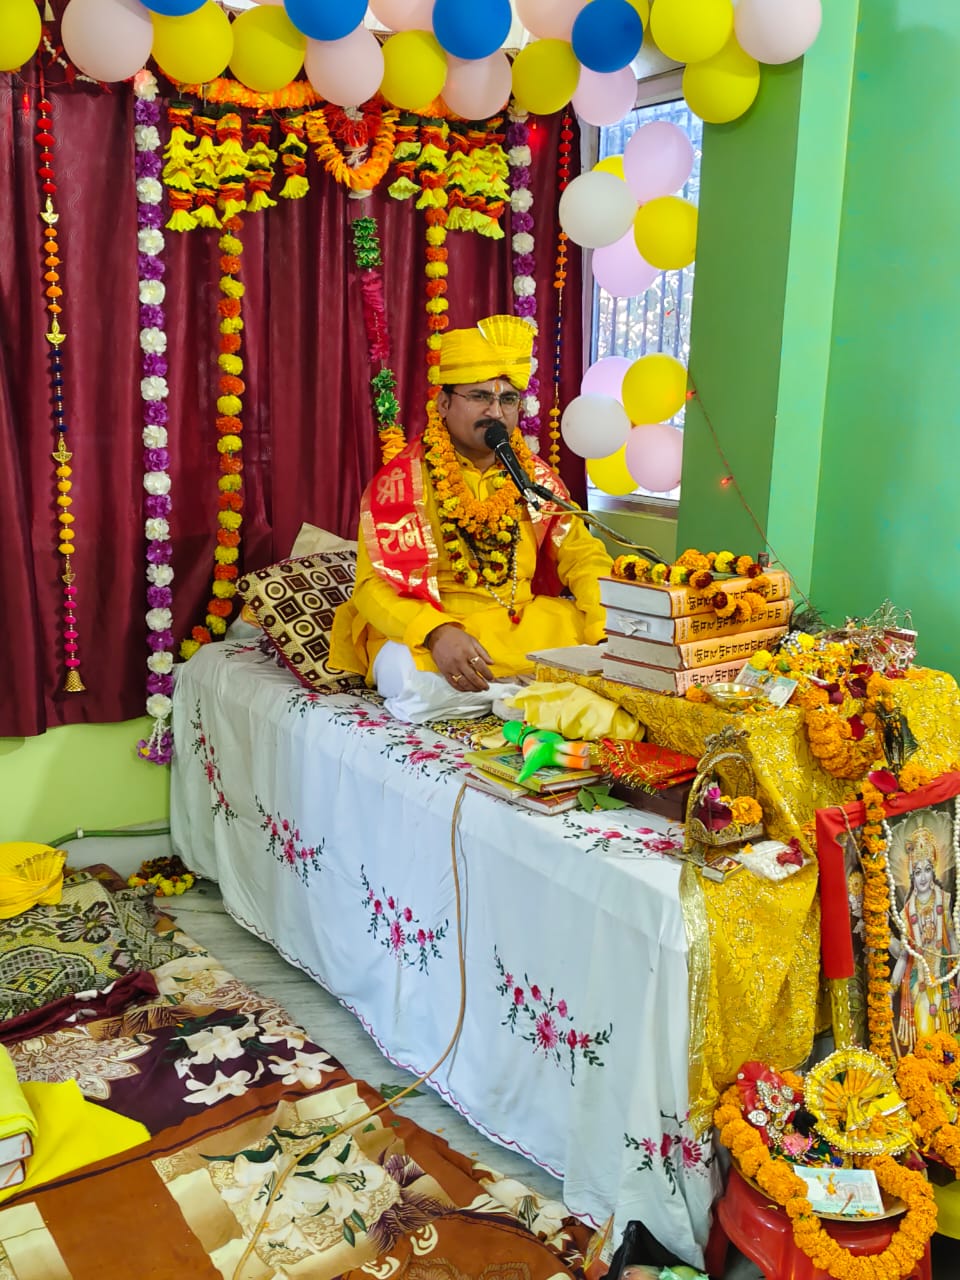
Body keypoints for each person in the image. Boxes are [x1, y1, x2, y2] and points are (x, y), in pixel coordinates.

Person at [330, 314, 612, 721]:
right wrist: (436, 632)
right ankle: (534, 696)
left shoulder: (533, 479)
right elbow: (373, 586)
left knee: (604, 648)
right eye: (480, 397)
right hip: (435, 633)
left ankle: (515, 696)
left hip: (518, 623)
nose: (495, 412)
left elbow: (583, 558)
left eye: (508, 399)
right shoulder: (404, 483)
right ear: (443, 404)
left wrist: (606, 628)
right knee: (409, 676)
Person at [889, 822, 960, 1055]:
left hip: (943, 981)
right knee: (924, 1039)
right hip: (917, 984)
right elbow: (904, 955)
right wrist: (891, 988)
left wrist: (957, 972)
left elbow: (951, 936)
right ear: (911, 873)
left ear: (934, 869)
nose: (922, 877)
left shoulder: (944, 899)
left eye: (927, 869)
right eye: (917, 871)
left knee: (947, 1041)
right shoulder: (906, 911)